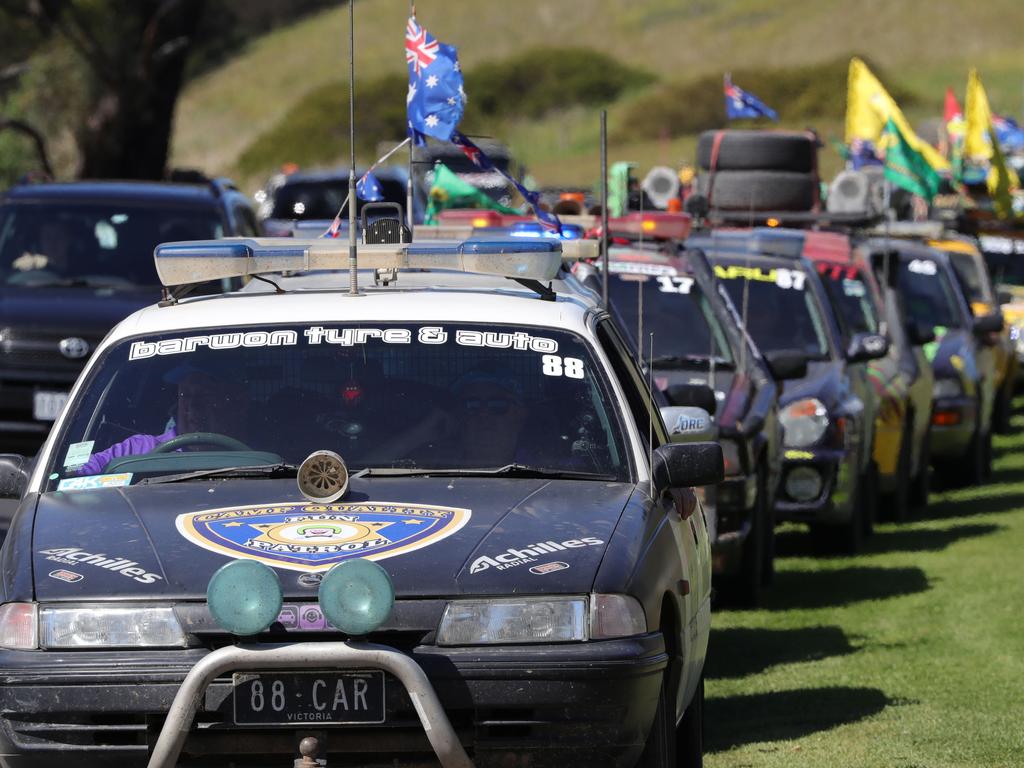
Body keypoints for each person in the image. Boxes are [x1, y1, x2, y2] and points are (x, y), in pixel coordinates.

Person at [75, 367, 247, 476]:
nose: (193, 405)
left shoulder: (262, 449)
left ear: (233, 403)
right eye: (185, 395)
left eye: (206, 395)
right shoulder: (141, 448)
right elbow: (76, 469)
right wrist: (66, 470)